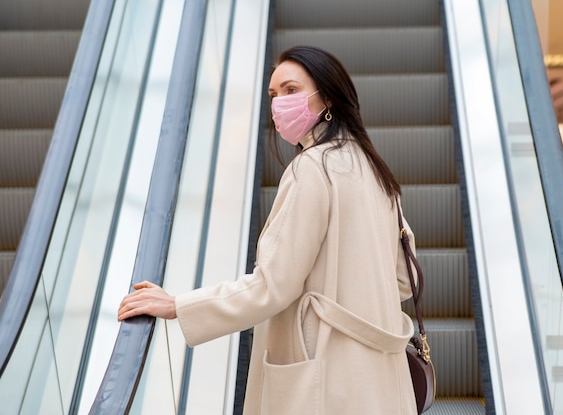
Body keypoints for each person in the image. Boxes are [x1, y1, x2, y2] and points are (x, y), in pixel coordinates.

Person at [118, 45, 418, 415]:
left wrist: (178, 305)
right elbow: (405, 281)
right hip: (382, 382)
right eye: (274, 95)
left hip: (324, 382)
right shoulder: (376, 173)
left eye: (291, 90)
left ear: (327, 96)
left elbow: (273, 286)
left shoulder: (313, 169)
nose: (279, 104)